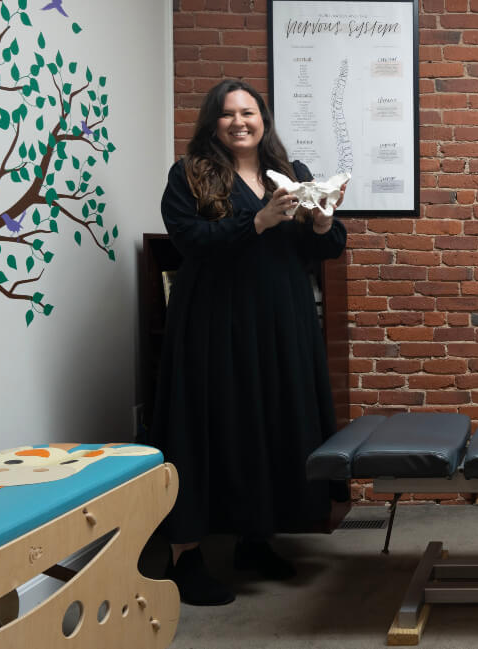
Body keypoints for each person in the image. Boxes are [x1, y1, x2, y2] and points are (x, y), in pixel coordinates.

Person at [147, 79, 350, 606]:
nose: (240, 121)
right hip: (216, 322)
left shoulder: (292, 174)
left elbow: (327, 246)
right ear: (212, 123)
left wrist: (324, 219)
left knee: (273, 422)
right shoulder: (189, 174)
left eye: (249, 112)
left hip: (280, 320)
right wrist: (257, 220)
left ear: (264, 119)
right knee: (208, 427)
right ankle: (186, 557)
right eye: (227, 114)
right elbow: (190, 241)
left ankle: (255, 539)